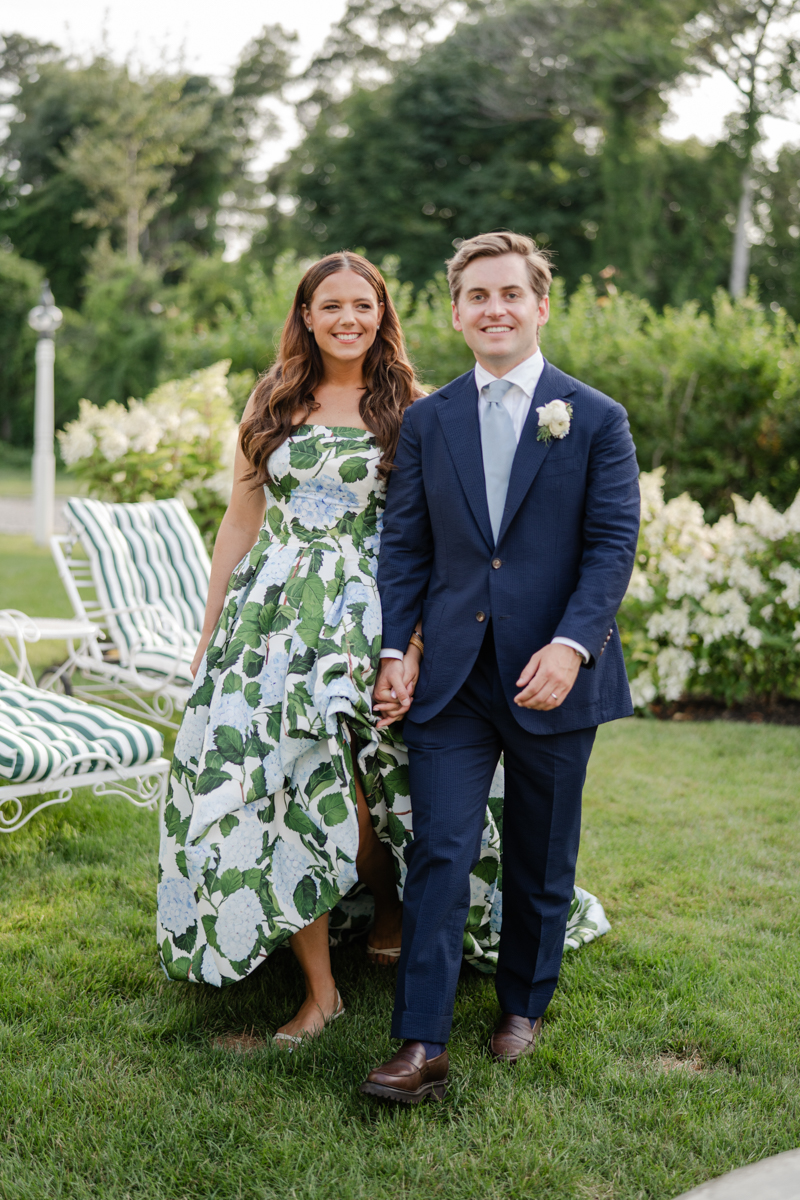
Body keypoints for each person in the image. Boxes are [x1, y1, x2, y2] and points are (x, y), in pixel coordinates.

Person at [156, 249, 609, 1047]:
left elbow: (434, 536)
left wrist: (420, 638)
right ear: (304, 315)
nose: (346, 319)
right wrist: (210, 629)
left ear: (383, 313)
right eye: (329, 305)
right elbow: (239, 521)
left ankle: (395, 913)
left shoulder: (415, 405)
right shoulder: (270, 401)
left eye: (362, 305)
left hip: (378, 608)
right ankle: (318, 990)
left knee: (392, 780)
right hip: (276, 618)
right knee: (283, 778)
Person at [361, 231, 640, 1103]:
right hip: (450, 677)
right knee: (440, 850)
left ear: (540, 305)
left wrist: (570, 644)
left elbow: (610, 548)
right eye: (476, 296)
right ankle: (420, 1043)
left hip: (555, 670)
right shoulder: (429, 420)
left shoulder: (593, 418)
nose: (494, 309)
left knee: (540, 850)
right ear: (455, 312)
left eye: (510, 294)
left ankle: (523, 1004)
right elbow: (404, 547)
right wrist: (392, 650)